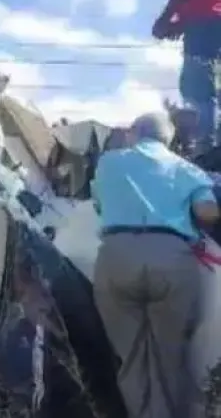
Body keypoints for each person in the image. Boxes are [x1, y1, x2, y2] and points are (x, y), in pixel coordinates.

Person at [91, 111, 220, 418]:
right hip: (172, 259)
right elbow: (207, 213)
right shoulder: (186, 169)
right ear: (169, 139)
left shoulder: (109, 162)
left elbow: (98, 203)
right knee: (170, 355)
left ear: (134, 133)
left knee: (132, 356)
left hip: (116, 256)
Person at [153, 0, 221, 155]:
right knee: (216, 88)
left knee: (197, 89)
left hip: (204, 29)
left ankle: (204, 151)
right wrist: (181, 25)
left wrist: (165, 20)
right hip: (214, 27)